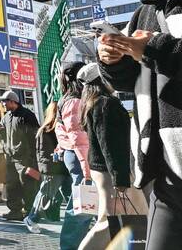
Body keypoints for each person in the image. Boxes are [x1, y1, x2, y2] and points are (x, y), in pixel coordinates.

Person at [97, 0, 182, 250]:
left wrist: (151, 47)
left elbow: (155, 53)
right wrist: (113, 60)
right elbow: (129, 81)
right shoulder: (145, 11)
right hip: (166, 174)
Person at [77, 64, 134, 250]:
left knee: (108, 219)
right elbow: (109, 143)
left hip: (102, 169)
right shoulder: (105, 104)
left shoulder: (92, 103)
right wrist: (120, 178)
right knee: (108, 221)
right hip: (110, 171)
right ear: (102, 79)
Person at [55, 62, 93, 249]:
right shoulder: (74, 100)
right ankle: (70, 246)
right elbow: (79, 137)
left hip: (77, 155)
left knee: (84, 205)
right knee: (81, 207)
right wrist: (86, 168)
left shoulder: (67, 99)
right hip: (80, 157)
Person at [24, 102, 69, 234]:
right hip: (54, 169)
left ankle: (82, 221)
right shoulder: (46, 130)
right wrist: (48, 169)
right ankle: (31, 218)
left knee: (70, 195)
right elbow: (43, 153)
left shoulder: (59, 127)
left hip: (63, 168)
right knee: (46, 194)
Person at [0, 90, 40, 221]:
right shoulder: (6, 117)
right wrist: (0, 132)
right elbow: (5, 137)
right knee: (11, 185)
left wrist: (33, 158)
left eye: (4, 101)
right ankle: (14, 211)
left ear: (12, 101)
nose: (2, 103)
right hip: (10, 157)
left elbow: (35, 137)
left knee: (27, 185)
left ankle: (29, 211)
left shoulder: (27, 115)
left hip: (25, 158)